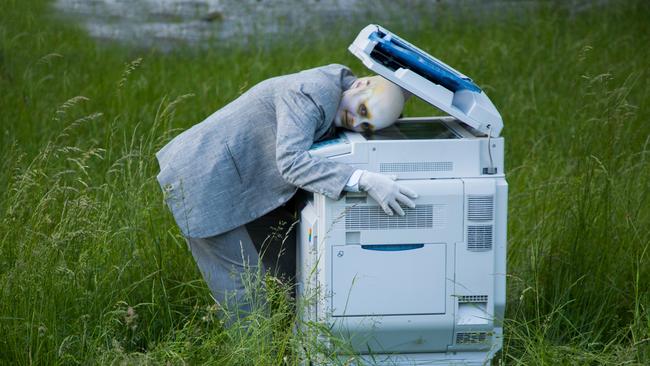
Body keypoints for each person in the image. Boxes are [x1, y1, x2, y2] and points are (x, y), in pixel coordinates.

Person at [155, 64, 418, 320]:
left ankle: (300, 341)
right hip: (205, 177)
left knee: (295, 263)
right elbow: (291, 162)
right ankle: (256, 356)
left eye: (366, 125)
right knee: (243, 287)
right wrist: (362, 179)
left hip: (249, 182)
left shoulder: (338, 94)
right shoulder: (312, 92)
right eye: (362, 109)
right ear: (361, 84)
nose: (357, 121)